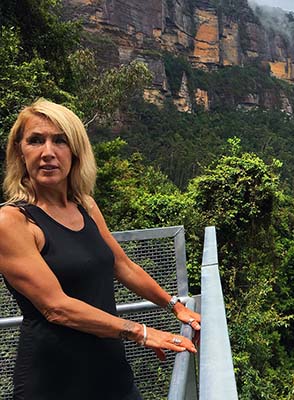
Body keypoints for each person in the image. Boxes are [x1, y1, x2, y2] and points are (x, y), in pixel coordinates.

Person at [0, 99, 202, 400]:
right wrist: (141, 332)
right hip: (54, 383)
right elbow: (56, 308)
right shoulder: (12, 222)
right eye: (35, 141)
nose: (47, 153)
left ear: (76, 151)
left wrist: (174, 305)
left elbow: (122, 265)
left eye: (60, 141)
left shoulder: (85, 206)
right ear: (20, 151)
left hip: (112, 374)